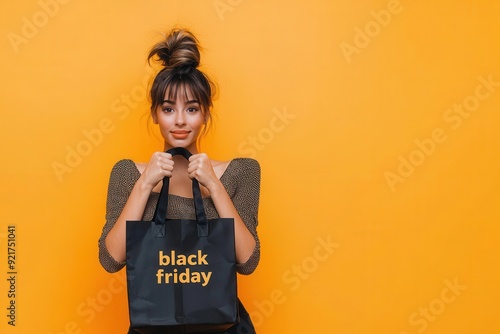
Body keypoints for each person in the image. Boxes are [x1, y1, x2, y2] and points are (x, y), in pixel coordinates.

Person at [98, 28, 260, 333]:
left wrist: (214, 185)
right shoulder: (128, 173)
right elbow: (111, 259)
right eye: (169, 109)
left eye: (192, 109)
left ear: (206, 115)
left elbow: (248, 262)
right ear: (155, 114)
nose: (181, 121)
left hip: (222, 326)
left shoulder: (241, 172)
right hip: (154, 326)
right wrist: (145, 184)